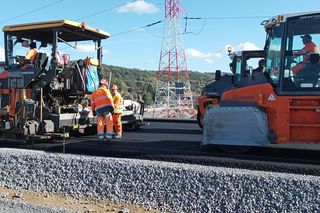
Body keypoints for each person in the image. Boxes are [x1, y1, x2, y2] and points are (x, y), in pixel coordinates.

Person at [91, 79, 114, 143]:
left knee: (100, 124)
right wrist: (112, 108)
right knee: (109, 123)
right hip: (107, 110)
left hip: (98, 110)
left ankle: (100, 139)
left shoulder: (94, 92)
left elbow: (92, 102)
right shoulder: (106, 91)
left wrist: (93, 111)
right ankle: (109, 139)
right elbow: (110, 99)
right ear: (105, 85)